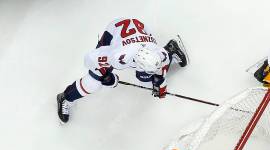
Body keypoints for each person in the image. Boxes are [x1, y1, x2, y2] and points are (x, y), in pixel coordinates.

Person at [56, 17, 189, 123]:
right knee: (93, 83)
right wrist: (106, 76)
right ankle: (65, 98)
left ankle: (172, 47)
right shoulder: (119, 57)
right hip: (114, 32)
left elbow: (160, 69)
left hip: (139, 30)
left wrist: (160, 83)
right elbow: (90, 59)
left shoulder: (160, 54)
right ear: (136, 62)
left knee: (144, 78)